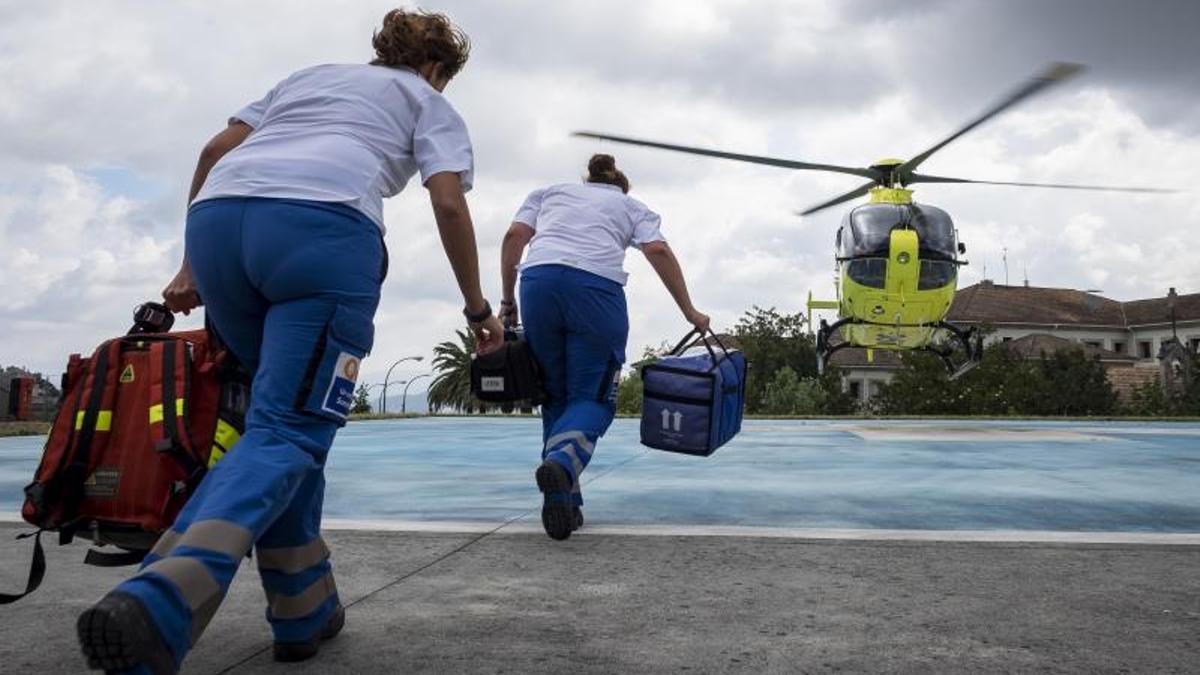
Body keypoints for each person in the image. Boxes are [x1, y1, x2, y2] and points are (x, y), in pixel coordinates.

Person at [76, 9, 504, 674]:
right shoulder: (425, 99)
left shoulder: (307, 79)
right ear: (435, 68)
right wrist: (479, 309)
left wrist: (189, 263)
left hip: (220, 227)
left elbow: (215, 151)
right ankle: (158, 598)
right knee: (290, 430)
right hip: (320, 236)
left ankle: (303, 610)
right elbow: (448, 203)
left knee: (285, 426)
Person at [500, 154, 709, 541]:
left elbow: (514, 237)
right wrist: (689, 310)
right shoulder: (630, 206)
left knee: (556, 395)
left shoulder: (548, 194)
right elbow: (658, 251)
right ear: (620, 186)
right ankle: (562, 461)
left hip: (538, 283)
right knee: (595, 398)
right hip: (595, 290)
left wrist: (507, 302)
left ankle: (563, 500)